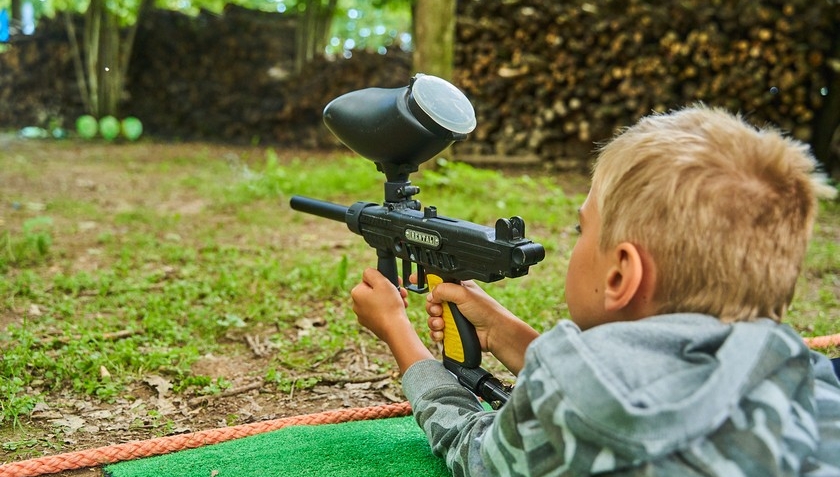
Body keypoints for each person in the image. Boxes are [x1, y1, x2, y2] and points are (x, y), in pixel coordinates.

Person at [350, 105, 840, 476]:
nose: (577, 241)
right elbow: (659, 372)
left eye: (582, 230)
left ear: (622, 275)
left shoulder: (572, 413)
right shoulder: (809, 379)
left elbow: (472, 447)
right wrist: (507, 334)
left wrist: (399, 332)